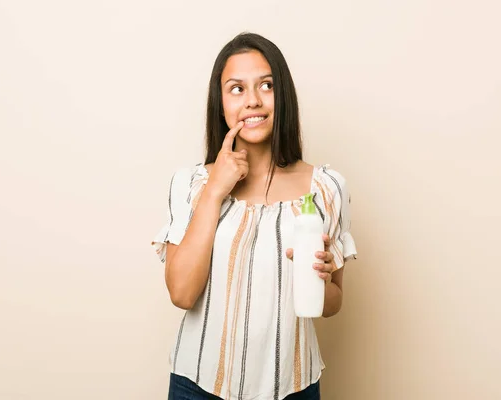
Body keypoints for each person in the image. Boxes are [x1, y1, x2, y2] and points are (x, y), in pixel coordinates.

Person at [151, 32, 358, 400]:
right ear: (221, 105)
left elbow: (333, 303)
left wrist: (320, 280)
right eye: (237, 89)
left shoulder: (325, 188)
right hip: (198, 387)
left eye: (266, 85)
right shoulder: (192, 184)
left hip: (293, 388)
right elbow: (181, 294)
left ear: (284, 97)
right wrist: (216, 190)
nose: (253, 101)